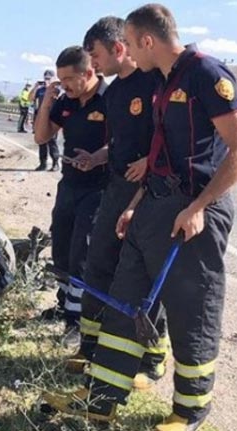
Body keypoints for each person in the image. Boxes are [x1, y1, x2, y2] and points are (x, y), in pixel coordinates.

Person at [43, 5, 237, 430]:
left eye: (129, 43)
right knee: (124, 299)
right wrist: (135, 204)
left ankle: (188, 413)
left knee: (192, 310)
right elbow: (161, 154)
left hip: (195, 210)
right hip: (154, 204)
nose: (125, 51)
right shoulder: (166, 82)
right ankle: (102, 399)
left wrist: (199, 207)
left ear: (146, 41)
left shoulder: (207, 74)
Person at [64, 16, 169, 390]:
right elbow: (120, 142)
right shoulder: (114, 93)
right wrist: (98, 157)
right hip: (117, 187)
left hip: (153, 192)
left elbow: (169, 135)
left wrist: (150, 161)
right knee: (99, 264)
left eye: (94, 55)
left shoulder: (155, 81)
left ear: (119, 48)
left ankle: (152, 357)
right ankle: (90, 345)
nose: (92, 65)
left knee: (143, 276)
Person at [34, 46, 108, 347]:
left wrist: (97, 158)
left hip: (99, 188)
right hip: (70, 184)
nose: (64, 85)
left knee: (81, 252)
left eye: (68, 79)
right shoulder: (66, 102)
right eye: (60, 80)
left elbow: (126, 143)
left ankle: (77, 321)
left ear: (88, 73)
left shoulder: (111, 100)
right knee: (62, 247)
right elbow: (42, 137)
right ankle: (65, 303)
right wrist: (47, 102)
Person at [30, 69, 61, 170]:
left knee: (52, 141)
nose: (46, 80)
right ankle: (43, 163)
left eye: (49, 78)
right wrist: (35, 87)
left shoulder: (56, 89)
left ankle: (55, 163)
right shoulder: (40, 90)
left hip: (52, 117)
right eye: (45, 78)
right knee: (41, 141)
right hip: (41, 117)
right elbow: (30, 98)